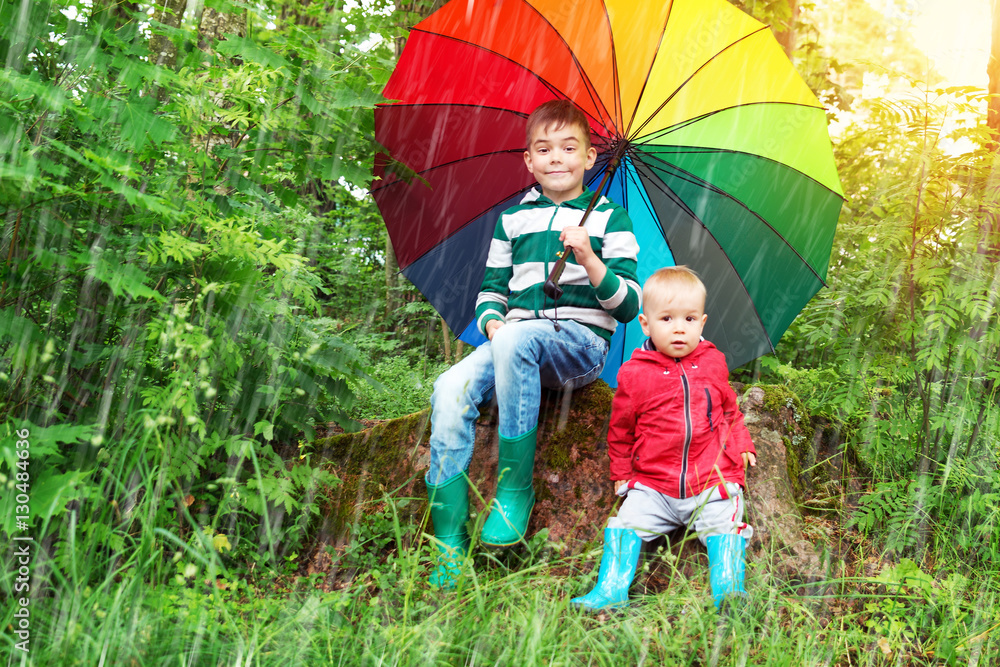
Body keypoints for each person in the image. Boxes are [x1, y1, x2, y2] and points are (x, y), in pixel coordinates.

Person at [424, 99, 641, 588]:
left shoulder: (610, 219)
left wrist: (588, 256)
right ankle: (448, 541)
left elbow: (628, 306)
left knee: (521, 340)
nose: (556, 158)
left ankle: (514, 491)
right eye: (543, 149)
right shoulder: (511, 220)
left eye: (569, 148)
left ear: (589, 158)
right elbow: (492, 291)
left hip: (579, 345)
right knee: (450, 388)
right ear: (529, 160)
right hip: (513, 341)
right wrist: (494, 323)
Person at [570, 266, 757, 612]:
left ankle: (729, 593)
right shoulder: (635, 372)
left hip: (709, 481)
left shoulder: (713, 362)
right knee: (626, 523)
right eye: (667, 319)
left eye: (688, 319)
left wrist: (743, 444)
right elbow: (621, 428)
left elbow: (730, 410)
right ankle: (610, 591)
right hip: (654, 485)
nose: (679, 329)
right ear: (645, 323)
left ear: (702, 323)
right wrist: (623, 471)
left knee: (726, 522)